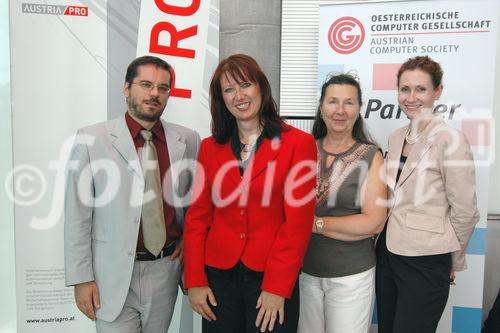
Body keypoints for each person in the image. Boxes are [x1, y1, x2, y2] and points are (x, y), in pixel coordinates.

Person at [64, 55, 201, 332]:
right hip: (110, 274)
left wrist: (189, 238)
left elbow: (195, 203)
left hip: (165, 268)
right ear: (127, 88)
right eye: (146, 84)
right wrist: (81, 278)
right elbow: (77, 215)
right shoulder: (92, 139)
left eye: (163, 88)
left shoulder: (187, 140)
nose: (154, 94)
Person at [183, 54, 317, 333]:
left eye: (245, 85)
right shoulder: (210, 148)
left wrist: (277, 287)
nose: (239, 96)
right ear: (221, 99)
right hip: (218, 279)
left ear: (261, 88)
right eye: (229, 89)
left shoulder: (298, 143)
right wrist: (194, 280)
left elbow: (297, 225)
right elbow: (197, 218)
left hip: (270, 277)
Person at [375, 55, 480, 333]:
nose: (411, 97)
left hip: (426, 259)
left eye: (420, 89)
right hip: (387, 255)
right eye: (405, 89)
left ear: (437, 91)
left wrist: (451, 258)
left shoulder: (450, 139)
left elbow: (466, 211)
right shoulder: (396, 137)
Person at [298, 73, 387, 333]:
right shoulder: (303, 149)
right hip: (303, 272)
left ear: (359, 109)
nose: (340, 110)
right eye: (332, 102)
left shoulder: (371, 155)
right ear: (321, 107)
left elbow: (373, 222)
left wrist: (312, 223)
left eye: (348, 103)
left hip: (351, 277)